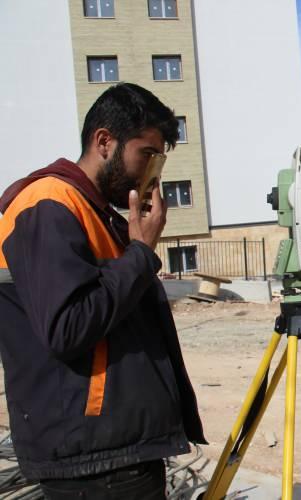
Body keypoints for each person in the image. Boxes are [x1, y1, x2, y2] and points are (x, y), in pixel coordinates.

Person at [0, 83, 205, 499]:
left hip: (112, 454)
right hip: (95, 463)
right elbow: (67, 326)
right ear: (104, 141)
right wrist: (141, 253)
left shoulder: (92, 212)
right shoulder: (49, 204)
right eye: (146, 155)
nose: (151, 174)